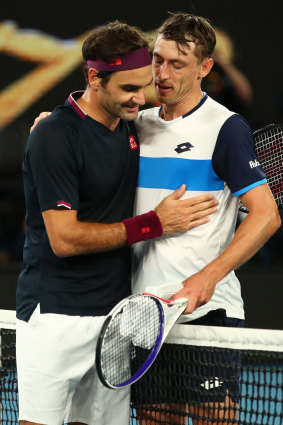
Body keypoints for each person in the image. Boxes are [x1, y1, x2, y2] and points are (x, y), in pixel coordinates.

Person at [17, 21, 218, 425]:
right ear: (95, 78)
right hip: (56, 314)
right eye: (128, 89)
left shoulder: (132, 127)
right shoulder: (56, 135)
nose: (140, 98)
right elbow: (65, 239)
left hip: (114, 321)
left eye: (143, 86)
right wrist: (153, 225)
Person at [130, 12, 281, 424]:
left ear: (205, 68)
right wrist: (53, 121)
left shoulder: (225, 128)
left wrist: (209, 277)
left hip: (206, 311)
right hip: (145, 310)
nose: (162, 72)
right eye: (158, 59)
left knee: (213, 416)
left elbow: (266, 216)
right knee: (155, 418)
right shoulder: (137, 124)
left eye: (177, 64)